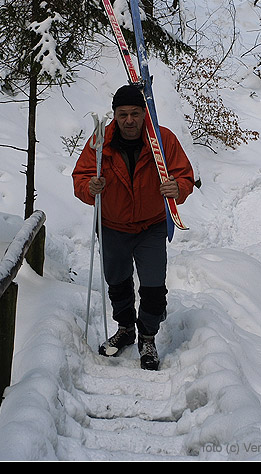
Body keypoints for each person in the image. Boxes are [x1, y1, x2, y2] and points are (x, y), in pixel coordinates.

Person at [72, 84, 195, 370]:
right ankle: (126, 328)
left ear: (145, 114)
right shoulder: (99, 141)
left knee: (153, 287)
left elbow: (184, 175)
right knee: (118, 282)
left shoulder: (162, 140)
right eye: (123, 114)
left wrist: (178, 187)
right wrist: (91, 187)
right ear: (114, 115)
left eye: (135, 114)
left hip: (151, 226)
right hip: (113, 226)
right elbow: (81, 177)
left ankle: (148, 337)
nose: (129, 120)